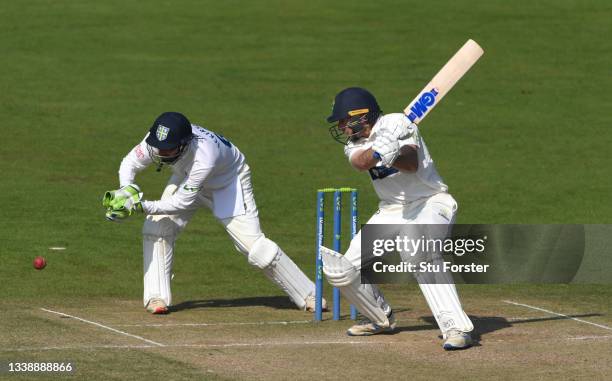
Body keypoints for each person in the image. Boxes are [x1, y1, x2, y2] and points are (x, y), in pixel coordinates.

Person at [102, 112, 324, 315]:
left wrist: (141, 206)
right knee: (156, 227)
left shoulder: (204, 155)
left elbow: (181, 202)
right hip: (187, 176)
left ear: (184, 143)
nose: (160, 152)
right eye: (159, 147)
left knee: (256, 250)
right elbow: (129, 163)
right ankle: (156, 297)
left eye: (168, 149)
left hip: (228, 184)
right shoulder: (157, 138)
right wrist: (126, 190)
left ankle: (309, 295)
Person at [321, 87, 473, 350]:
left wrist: (394, 153)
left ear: (361, 116)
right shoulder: (353, 144)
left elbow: (412, 163)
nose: (342, 127)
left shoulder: (397, 124)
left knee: (418, 252)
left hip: (431, 202)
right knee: (340, 271)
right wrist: (379, 152)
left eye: (344, 121)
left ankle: (456, 328)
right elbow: (360, 163)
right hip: (392, 209)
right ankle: (381, 318)